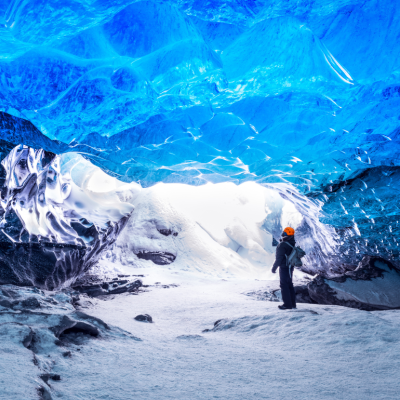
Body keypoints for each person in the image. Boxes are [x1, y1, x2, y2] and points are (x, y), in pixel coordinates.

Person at [272, 227, 297, 310]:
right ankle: (292, 304)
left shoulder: (283, 244)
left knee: (284, 285)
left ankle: (287, 304)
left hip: (284, 267)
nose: (283, 233)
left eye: (285, 232)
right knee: (289, 284)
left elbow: (279, 258)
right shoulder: (292, 243)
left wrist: (274, 268)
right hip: (290, 267)